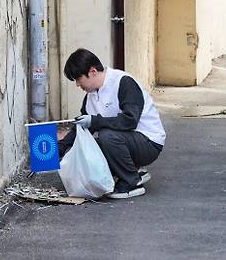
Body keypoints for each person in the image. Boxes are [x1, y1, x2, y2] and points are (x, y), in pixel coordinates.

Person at [58, 48, 166, 199]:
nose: (77, 84)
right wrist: (60, 148)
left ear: (93, 71)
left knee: (107, 136)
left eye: (78, 78)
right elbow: (81, 130)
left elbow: (130, 120)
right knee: (88, 149)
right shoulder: (90, 97)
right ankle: (134, 171)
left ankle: (131, 182)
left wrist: (95, 120)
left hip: (149, 143)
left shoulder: (123, 82)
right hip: (128, 142)